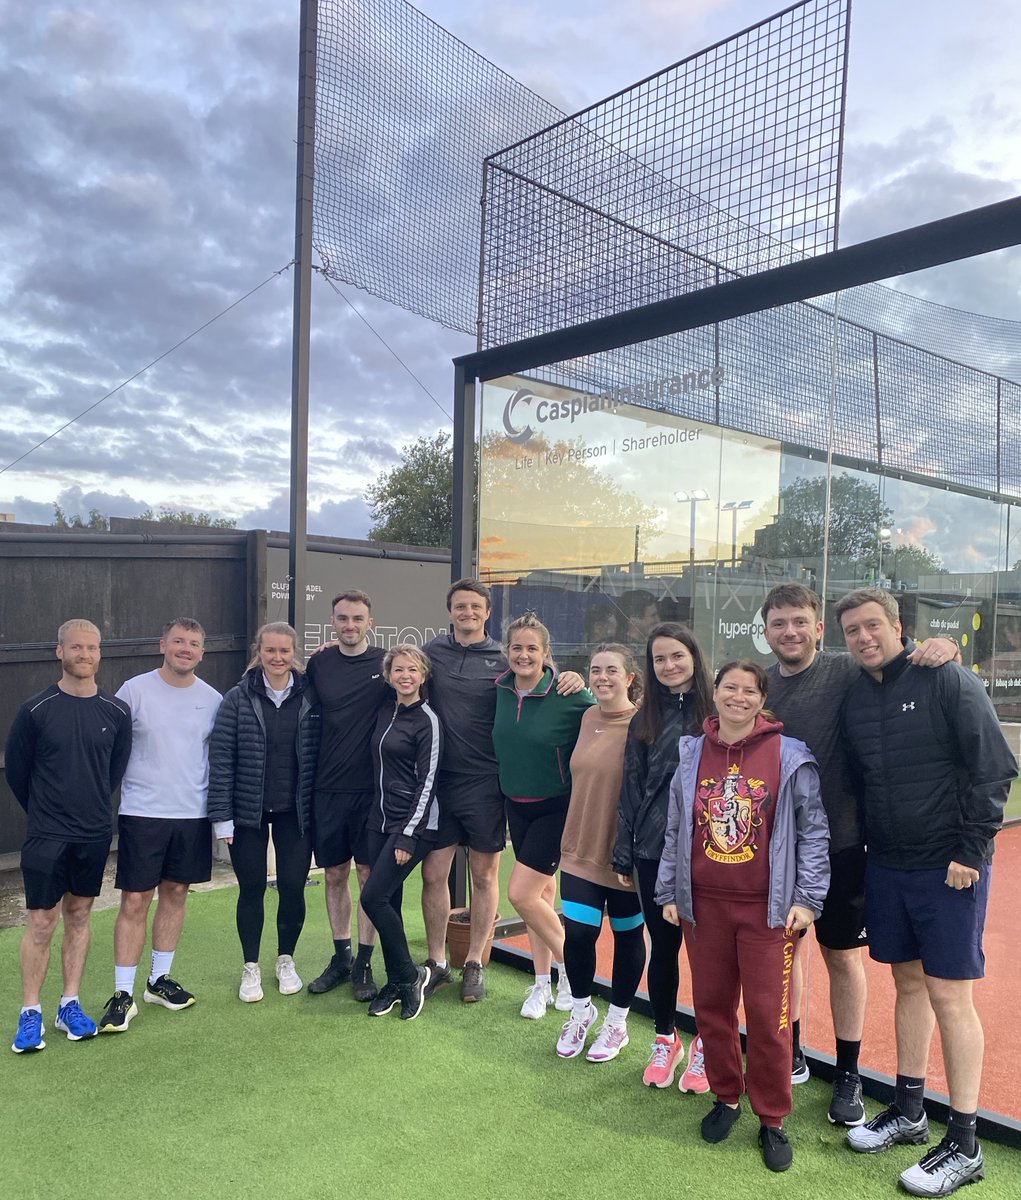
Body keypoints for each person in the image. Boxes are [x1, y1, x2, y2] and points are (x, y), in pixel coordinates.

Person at [836, 588, 1016, 1197]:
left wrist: (972, 850)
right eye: (852, 631)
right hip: (888, 864)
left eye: (872, 627)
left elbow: (993, 766)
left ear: (898, 627)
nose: (863, 638)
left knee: (949, 996)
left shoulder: (946, 677)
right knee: (907, 983)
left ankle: (965, 1143)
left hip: (949, 867)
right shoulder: (855, 692)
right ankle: (910, 1111)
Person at [761, 582, 961, 1125]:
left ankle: (847, 1072)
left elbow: (902, 659)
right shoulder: (758, 687)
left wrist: (942, 644)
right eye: (778, 623)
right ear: (765, 632)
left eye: (800, 621)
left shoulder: (847, 669)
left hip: (846, 843)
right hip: (779, 848)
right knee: (785, 950)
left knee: (842, 956)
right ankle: (792, 1052)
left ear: (818, 628)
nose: (790, 632)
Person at [657, 660, 829, 1173]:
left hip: (768, 913)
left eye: (748, 690)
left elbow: (813, 833)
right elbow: (676, 828)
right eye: (729, 688)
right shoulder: (691, 754)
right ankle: (726, 1096)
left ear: (761, 698)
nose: (737, 697)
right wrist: (670, 890)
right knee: (711, 1007)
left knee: (770, 1019)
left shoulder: (789, 755)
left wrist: (808, 898)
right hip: (703, 907)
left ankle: (772, 1116)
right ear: (715, 693)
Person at [420, 579, 584, 1004]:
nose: (468, 612)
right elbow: (396, 670)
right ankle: (438, 963)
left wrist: (573, 675)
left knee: (489, 877)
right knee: (435, 874)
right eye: (460, 606)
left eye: (475, 606)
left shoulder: (506, 660)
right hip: (444, 782)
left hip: (490, 786)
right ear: (450, 609)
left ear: (487, 611)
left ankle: (476, 962)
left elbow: (554, 682)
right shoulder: (433, 653)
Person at [6, 619, 132, 1052]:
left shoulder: (116, 711)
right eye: (75, 647)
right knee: (41, 922)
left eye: (92, 648)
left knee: (80, 916)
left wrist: (88, 812)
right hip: (46, 836)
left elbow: (113, 771)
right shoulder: (35, 710)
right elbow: (18, 774)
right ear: (58, 651)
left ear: (100, 654)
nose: (84, 655)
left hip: (94, 833)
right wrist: (47, 814)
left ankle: (69, 1005)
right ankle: (30, 1012)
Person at [99, 618, 221, 1032]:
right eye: (179, 641)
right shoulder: (134, 690)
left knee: (175, 893)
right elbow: (110, 748)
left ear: (203, 653)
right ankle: (123, 993)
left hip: (191, 815)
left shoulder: (213, 698)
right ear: (163, 645)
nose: (186, 649)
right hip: (142, 813)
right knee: (135, 901)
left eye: (194, 643)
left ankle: (158, 981)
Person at [613, 622, 714, 1092]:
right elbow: (630, 790)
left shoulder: (717, 713)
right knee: (665, 950)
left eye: (677, 656)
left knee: (711, 957)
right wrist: (623, 854)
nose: (669, 666)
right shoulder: (643, 719)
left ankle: (707, 1046)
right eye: (659, 659)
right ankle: (665, 1038)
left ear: (694, 656)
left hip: (714, 855)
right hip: (654, 853)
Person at [208, 622, 321, 1001]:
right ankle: (250, 967)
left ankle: (285, 959)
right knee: (252, 888)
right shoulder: (237, 698)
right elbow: (221, 759)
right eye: (270, 650)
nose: (277, 658)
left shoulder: (311, 695)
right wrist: (222, 816)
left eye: (284, 651)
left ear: (294, 654)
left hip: (296, 812)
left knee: (292, 887)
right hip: (247, 814)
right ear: (259, 652)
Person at [492, 612, 595, 1019]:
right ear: (507, 651)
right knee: (543, 897)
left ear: (546, 653)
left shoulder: (568, 693)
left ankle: (575, 971)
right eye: (516, 647)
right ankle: (542, 985)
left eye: (532, 648)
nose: (523, 654)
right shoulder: (499, 689)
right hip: (515, 807)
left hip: (557, 807)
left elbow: (612, 708)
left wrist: (583, 679)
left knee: (521, 894)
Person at [555, 644, 646, 1062]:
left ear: (630, 678)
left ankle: (617, 1023)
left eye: (612, 670)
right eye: (595, 670)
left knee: (627, 938)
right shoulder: (587, 715)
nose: (602, 677)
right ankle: (580, 1011)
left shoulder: (646, 724)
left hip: (626, 858)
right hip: (578, 849)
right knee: (578, 935)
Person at [304, 591, 390, 1002]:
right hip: (328, 790)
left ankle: (365, 963)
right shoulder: (318, 664)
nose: (350, 625)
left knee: (368, 877)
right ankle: (341, 957)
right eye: (342, 618)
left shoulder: (388, 664)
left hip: (373, 793)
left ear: (370, 622)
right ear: (332, 622)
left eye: (357, 618)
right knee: (335, 875)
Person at [361, 644, 442, 1021]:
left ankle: (411, 976)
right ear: (389, 675)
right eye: (398, 670)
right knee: (387, 901)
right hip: (378, 822)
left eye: (412, 670)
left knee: (372, 898)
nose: (405, 676)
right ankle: (395, 981)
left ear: (423, 675)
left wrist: (408, 835)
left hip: (412, 825)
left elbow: (428, 782)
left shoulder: (428, 719)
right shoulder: (383, 711)